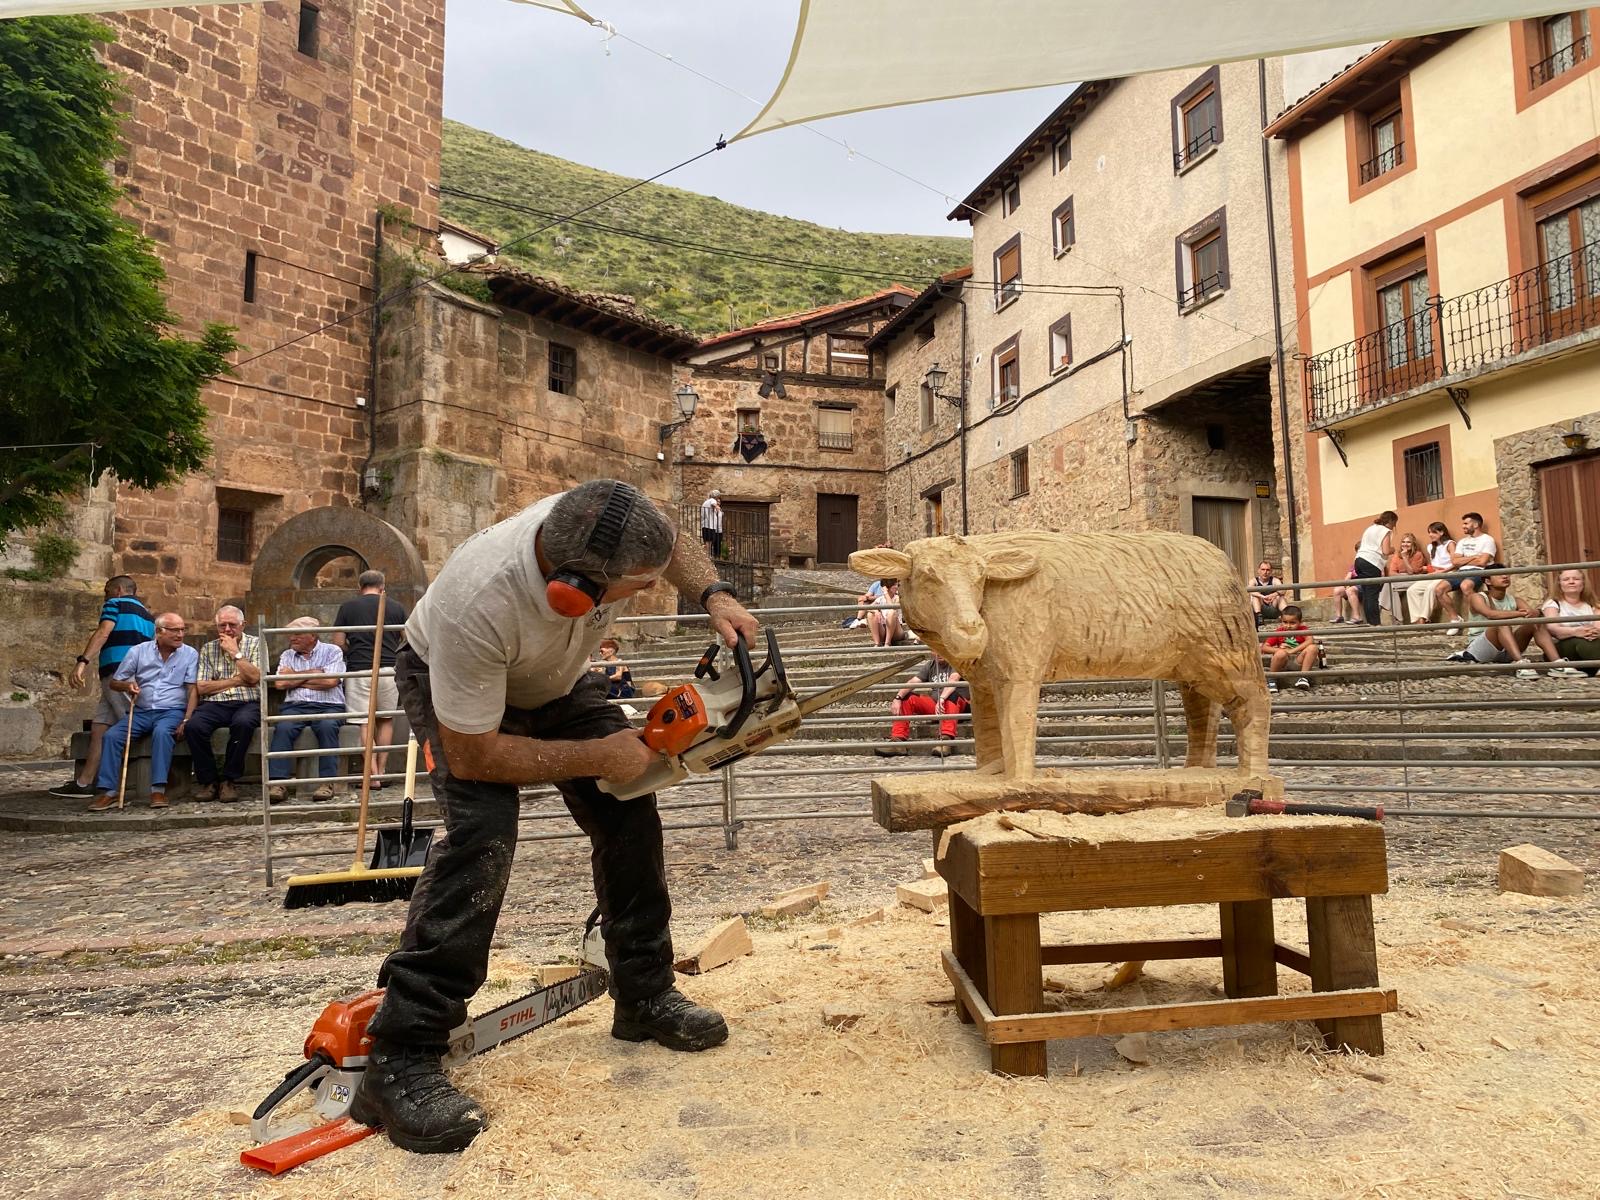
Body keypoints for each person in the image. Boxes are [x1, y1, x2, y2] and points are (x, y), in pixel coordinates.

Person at [349, 479, 760, 1156]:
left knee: (629, 808)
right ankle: (401, 1056)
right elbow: (477, 754)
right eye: (640, 586)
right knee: (483, 836)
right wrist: (595, 752)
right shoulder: (476, 604)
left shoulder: (609, 519)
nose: (653, 588)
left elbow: (671, 545)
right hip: (457, 689)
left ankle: (643, 993)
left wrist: (714, 595)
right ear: (577, 592)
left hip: (555, 677)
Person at [52, 576, 155, 799]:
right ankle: (85, 782)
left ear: (117, 590)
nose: (105, 596)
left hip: (117, 674)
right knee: (100, 727)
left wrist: (82, 661)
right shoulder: (148, 617)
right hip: (131, 674)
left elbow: (103, 632)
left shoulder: (115, 604)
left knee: (130, 725)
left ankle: (130, 785)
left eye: (106, 591)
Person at [89, 612, 198, 810]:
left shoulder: (190, 653)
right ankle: (109, 791)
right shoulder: (138, 651)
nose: (180, 634)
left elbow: (192, 689)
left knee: (162, 733)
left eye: (183, 630)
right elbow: (115, 682)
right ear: (159, 632)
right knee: (112, 736)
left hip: (172, 710)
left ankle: (158, 790)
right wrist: (128, 687)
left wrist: (186, 718)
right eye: (175, 630)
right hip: (142, 711)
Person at [333, 571, 408, 792]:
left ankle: (372, 774)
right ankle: (382, 771)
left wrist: (353, 650)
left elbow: (337, 641)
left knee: (365, 722)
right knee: (385, 720)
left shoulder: (348, 607)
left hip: (359, 669)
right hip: (388, 669)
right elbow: (406, 638)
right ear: (383, 587)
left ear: (360, 586)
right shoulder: (396, 607)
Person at [184, 606, 263, 803]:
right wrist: (236, 680)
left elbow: (254, 677)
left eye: (232, 625)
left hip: (247, 701)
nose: (227, 629)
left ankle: (229, 779)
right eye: (222, 625)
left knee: (243, 724)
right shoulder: (208, 648)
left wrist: (235, 653)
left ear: (243, 625)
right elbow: (202, 687)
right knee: (194, 726)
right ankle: (208, 781)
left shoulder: (256, 644)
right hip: (215, 703)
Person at [266, 616, 347, 803]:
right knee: (283, 727)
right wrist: (315, 674)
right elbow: (280, 683)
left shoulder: (332, 651)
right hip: (295, 706)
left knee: (327, 727)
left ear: (312, 635)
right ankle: (278, 783)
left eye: (296, 634)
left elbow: (330, 681)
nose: (291, 638)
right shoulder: (287, 655)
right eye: (289, 634)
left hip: (329, 705)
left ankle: (327, 783)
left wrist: (295, 678)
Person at [1443, 567, 1541, 675]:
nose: (1505, 576)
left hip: (1506, 649)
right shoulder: (1477, 597)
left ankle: (1556, 664)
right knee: (1501, 623)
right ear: (1488, 581)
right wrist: (1520, 613)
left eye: (1506, 574)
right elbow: (1490, 614)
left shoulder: (1516, 600)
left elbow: (1531, 613)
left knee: (1536, 624)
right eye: (1499, 574)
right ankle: (1521, 664)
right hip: (1480, 648)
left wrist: (1536, 612)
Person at [875, 655, 968, 755]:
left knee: (951, 695)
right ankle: (898, 742)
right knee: (907, 697)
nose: (938, 653)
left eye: (940, 649)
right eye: (934, 649)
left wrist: (942, 698)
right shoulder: (930, 665)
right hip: (938, 706)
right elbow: (913, 682)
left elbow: (953, 679)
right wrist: (898, 697)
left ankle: (945, 741)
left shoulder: (957, 662)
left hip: (958, 706)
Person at [1432, 512, 1498, 634]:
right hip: (1460, 571)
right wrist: (1473, 557)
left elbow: (1483, 562)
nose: (1463, 526)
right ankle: (1455, 619)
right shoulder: (1462, 541)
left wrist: (1463, 560)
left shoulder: (1487, 540)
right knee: (1439, 589)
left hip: (1479, 571)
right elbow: (1455, 561)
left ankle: (1476, 621)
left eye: (1466, 523)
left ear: (1476, 524)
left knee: (1465, 586)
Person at [1540, 569, 1600, 677]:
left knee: (1591, 642)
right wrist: (1576, 631)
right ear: (1560, 583)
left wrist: (1593, 632)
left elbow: (1597, 627)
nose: (1571, 582)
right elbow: (1553, 629)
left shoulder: (1592, 604)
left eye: (1576, 579)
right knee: (1583, 644)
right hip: (1564, 649)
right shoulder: (1553, 604)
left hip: (1591, 644)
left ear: (1583, 583)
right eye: (1566, 579)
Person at [1352, 511, 1396, 627]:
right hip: (1372, 562)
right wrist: (1393, 549)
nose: (1394, 526)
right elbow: (1385, 550)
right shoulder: (1385, 531)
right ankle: (1376, 623)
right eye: (1394, 523)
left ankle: (1370, 622)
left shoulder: (1370, 528)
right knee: (1372, 594)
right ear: (1391, 521)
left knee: (1366, 593)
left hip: (1359, 560)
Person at [1405, 522, 1453, 625]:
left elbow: (1455, 563)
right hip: (1434, 574)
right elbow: (1434, 564)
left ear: (1441, 532)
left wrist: (1442, 571)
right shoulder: (1430, 547)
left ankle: (1423, 619)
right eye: (1429, 532)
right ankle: (1416, 619)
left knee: (1431, 588)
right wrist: (1429, 569)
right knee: (1412, 590)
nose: (1430, 535)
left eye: (1433, 532)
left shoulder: (1450, 544)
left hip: (1448, 573)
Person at [1262, 605, 1317, 693]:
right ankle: (1272, 680)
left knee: (1313, 648)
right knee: (1281, 654)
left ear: (1300, 622)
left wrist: (1292, 651)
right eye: (1285, 622)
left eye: (1292, 623)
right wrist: (1282, 651)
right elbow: (1264, 647)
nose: (1288, 626)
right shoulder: (1279, 631)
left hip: (1297, 661)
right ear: (1281, 621)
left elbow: (1310, 640)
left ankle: (1303, 677)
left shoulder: (1303, 629)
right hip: (1282, 662)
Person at [1383, 533, 1429, 624]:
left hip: (1415, 580)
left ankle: (1392, 615)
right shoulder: (1397, 555)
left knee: (1389, 584)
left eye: (1408, 542)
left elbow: (1412, 572)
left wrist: (1405, 557)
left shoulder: (1418, 555)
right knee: (1390, 586)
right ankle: (1398, 620)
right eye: (1403, 542)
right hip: (1401, 580)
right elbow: (1391, 573)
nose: (1405, 544)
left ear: (1413, 544)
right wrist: (1403, 576)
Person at [1331, 545, 1364, 624]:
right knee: (1337, 590)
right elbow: (1347, 577)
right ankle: (1339, 616)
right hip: (1353, 586)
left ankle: (1357, 617)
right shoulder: (1355, 565)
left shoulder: (1372, 562)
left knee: (1350, 590)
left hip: (1363, 587)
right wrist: (1345, 585)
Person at [866, 580, 903, 647]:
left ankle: (887, 643)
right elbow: (868, 608)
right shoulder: (880, 599)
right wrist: (876, 611)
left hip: (896, 631)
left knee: (891, 612)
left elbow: (891, 607)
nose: (896, 587)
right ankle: (877, 643)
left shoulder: (898, 598)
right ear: (888, 587)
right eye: (894, 585)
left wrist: (885, 593)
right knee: (870, 614)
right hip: (884, 628)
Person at [1249, 561, 1285, 627]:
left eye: (1268, 570)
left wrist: (1272, 595)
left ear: (1271, 571)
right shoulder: (1254, 581)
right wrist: (1262, 597)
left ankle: (1287, 614)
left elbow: (1283, 590)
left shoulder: (1275, 580)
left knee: (1280, 597)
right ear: (1258, 570)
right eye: (1263, 569)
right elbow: (1250, 590)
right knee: (1255, 597)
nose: (1265, 572)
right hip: (1260, 608)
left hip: (1273, 606)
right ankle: (1259, 617)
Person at [699, 488, 723, 559]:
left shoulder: (705, 502)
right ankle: (708, 555)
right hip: (710, 525)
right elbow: (714, 504)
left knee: (707, 541)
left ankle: (707, 555)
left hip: (705, 524)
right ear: (716, 496)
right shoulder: (712, 500)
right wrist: (717, 507)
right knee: (709, 541)